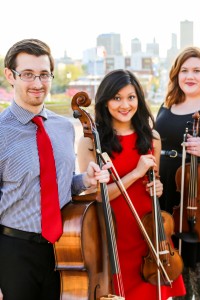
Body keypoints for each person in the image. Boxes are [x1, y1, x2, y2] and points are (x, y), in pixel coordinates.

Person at [0, 39, 111, 300]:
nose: (38, 84)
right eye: (27, 74)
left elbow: (58, 184)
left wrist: (86, 179)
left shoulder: (62, 127)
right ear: (10, 76)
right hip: (13, 251)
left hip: (62, 251)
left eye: (44, 75)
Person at [77, 69, 186, 300]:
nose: (125, 104)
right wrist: (136, 173)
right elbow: (97, 196)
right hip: (113, 233)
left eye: (131, 97)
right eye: (117, 98)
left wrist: (158, 187)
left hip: (148, 232)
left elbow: (153, 184)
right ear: (105, 101)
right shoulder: (90, 141)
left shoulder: (152, 138)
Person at [155, 46, 200, 300]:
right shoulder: (167, 106)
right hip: (167, 195)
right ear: (176, 75)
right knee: (173, 267)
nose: (190, 76)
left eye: (197, 70)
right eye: (184, 70)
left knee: (199, 271)